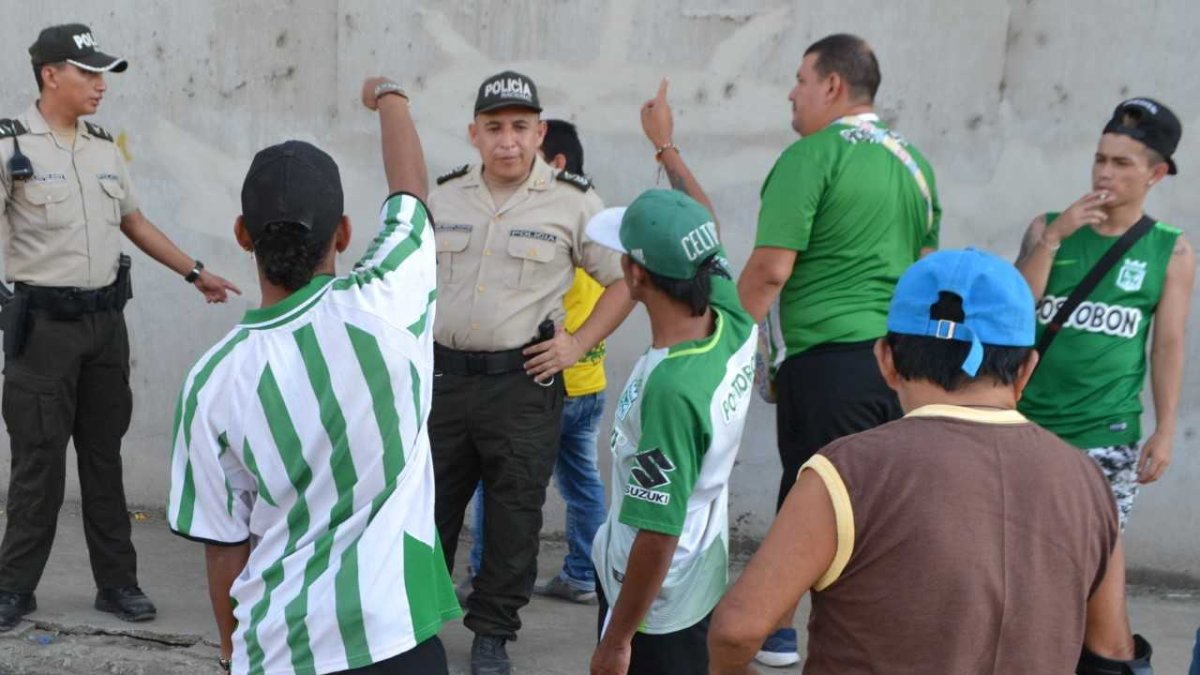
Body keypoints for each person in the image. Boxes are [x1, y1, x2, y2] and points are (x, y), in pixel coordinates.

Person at [708, 248, 1154, 675]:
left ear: (886, 359)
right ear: (1026, 369)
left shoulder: (847, 472)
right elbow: (1112, 652)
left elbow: (737, 630)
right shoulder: (1087, 481)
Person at [166, 77, 460, 674]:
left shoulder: (213, 380)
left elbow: (225, 546)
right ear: (345, 234)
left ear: (242, 235)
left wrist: (232, 651)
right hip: (396, 636)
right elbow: (411, 193)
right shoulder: (390, 305)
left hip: (280, 649)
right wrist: (388, 96)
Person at [0, 23, 239, 631]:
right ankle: (14, 588)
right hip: (42, 331)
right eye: (87, 73)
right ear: (50, 74)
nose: (99, 85)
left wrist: (195, 271)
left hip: (106, 326)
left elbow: (133, 221)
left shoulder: (104, 147)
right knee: (38, 464)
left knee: (104, 459)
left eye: (102, 74)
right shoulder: (9, 146)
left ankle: (118, 584)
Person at [733, 33, 941, 666]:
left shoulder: (812, 155)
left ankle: (781, 631)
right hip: (901, 367)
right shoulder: (915, 162)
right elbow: (927, 269)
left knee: (815, 498)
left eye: (800, 80)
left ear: (831, 86)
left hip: (827, 360)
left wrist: (726, 341)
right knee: (883, 505)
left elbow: (770, 270)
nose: (791, 94)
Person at [427, 70, 633, 675]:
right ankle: (415, 626)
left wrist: (578, 344)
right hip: (443, 382)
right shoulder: (444, 197)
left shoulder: (573, 202)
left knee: (515, 514)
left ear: (540, 132)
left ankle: (493, 630)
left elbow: (626, 282)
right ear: (474, 134)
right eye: (494, 128)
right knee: (428, 510)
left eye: (520, 127)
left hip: (522, 383)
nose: (508, 141)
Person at [586, 189, 755, 675]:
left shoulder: (673, 390)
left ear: (635, 274)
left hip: (655, 601)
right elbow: (710, 237)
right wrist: (670, 154)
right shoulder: (733, 317)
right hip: (699, 567)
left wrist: (617, 641)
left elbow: (658, 533)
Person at [1016, 97, 1195, 530]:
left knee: (1092, 564)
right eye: (1099, 160)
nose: (1104, 173)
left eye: (1120, 163)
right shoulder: (1047, 227)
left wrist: (1165, 430)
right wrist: (1055, 237)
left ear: (1155, 174)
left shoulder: (1172, 250)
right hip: (1026, 425)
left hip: (1107, 434)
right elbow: (1014, 309)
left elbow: (1167, 347)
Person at [466, 119, 612, 606]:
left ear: (558, 164)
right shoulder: (602, 224)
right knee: (583, 484)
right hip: (590, 383)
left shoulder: (557, 220)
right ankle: (584, 575)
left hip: (545, 382)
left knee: (500, 483)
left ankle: (487, 577)